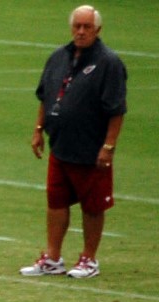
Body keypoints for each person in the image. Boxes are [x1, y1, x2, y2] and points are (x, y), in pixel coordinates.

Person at [21, 5, 127, 280]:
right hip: (60, 145)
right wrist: (38, 130)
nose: (81, 31)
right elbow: (45, 97)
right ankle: (53, 257)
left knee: (93, 206)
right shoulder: (58, 57)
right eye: (77, 26)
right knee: (56, 202)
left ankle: (89, 259)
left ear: (97, 29)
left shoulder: (109, 63)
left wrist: (108, 146)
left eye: (86, 27)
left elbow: (116, 110)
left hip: (91, 148)